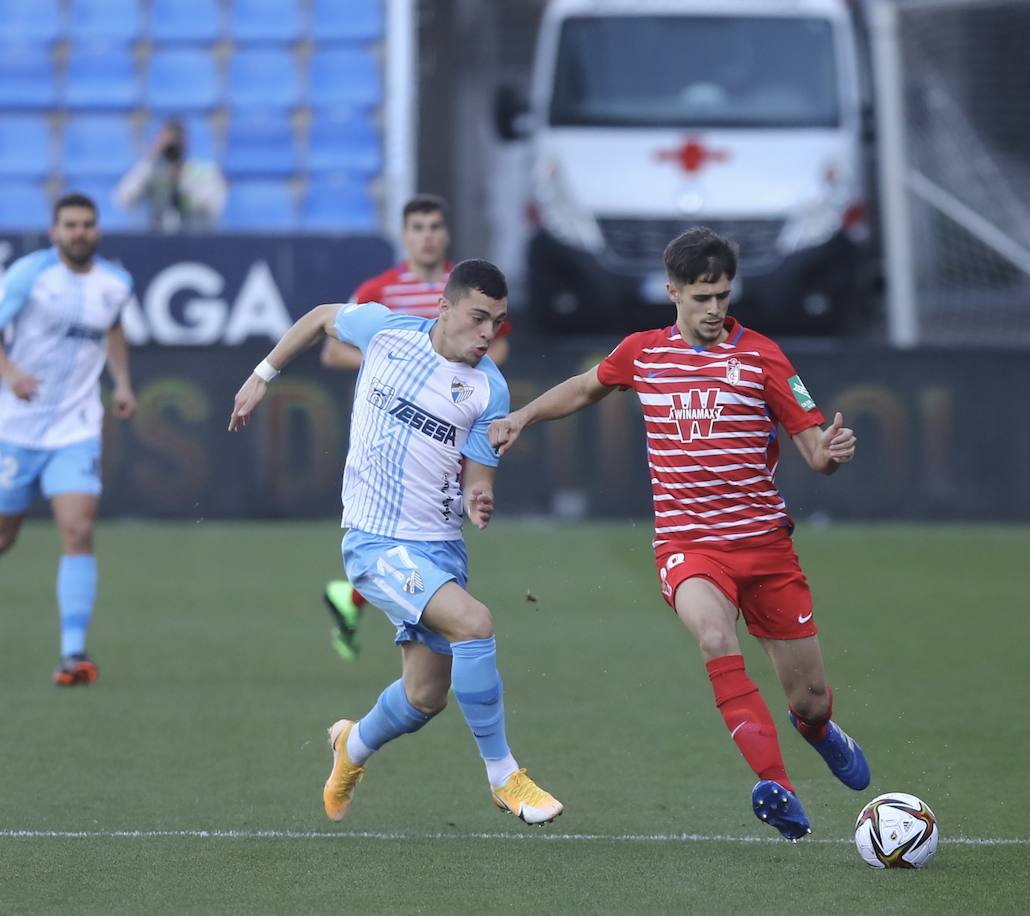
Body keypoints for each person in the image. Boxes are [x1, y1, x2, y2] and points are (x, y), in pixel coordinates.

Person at [487, 227, 867, 841]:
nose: (715, 309)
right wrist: (523, 416)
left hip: (766, 549)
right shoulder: (642, 353)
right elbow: (586, 387)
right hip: (688, 546)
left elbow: (815, 452)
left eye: (722, 295)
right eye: (701, 297)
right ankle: (777, 785)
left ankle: (821, 733)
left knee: (810, 700)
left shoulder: (764, 357)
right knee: (714, 636)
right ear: (673, 293)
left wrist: (834, 452)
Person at [227, 259, 561, 826]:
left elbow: (477, 480)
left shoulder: (490, 390)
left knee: (425, 696)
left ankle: (351, 747)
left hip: (440, 547)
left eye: (498, 324)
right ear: (445, 308)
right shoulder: (385, 331)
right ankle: (504, 775)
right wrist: (263, 373)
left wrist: (479, 500)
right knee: (475, 623)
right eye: (478, 318)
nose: (487, 334)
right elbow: (318, 319)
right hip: (376, 543)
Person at [320, 194, 513, 660]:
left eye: (434, 227)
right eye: (417, 227)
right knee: (400, 525)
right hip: (394, 427)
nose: (427, 236)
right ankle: (359, 593)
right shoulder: (381, 291)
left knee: (434, 522)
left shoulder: (473, 289)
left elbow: (498, 350)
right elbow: (333, 349)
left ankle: (353, 598)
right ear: (404, 236)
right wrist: (395, 366)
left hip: (456, 419)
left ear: (446, 234)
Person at [0, 193, 137, 686]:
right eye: (70, 225)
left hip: (76, 429)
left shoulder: (115, 282)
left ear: (96, 230)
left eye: (87, 224)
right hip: (14, 428)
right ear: (54, 231)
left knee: (78, 532)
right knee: (4, 537)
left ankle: (72, 654)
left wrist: (121, 382)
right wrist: (11, 371)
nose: (79, 232)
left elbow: (114, 329)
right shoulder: (29, 274)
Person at [115, 117, 226, 232]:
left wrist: (181, 179)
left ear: (186, 143)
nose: (174, 147)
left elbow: (214, 207)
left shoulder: (204, 172)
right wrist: (150, 160)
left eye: (178, 140)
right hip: (157, 242)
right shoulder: (152, 172)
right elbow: (124, 199)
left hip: (194, 241)